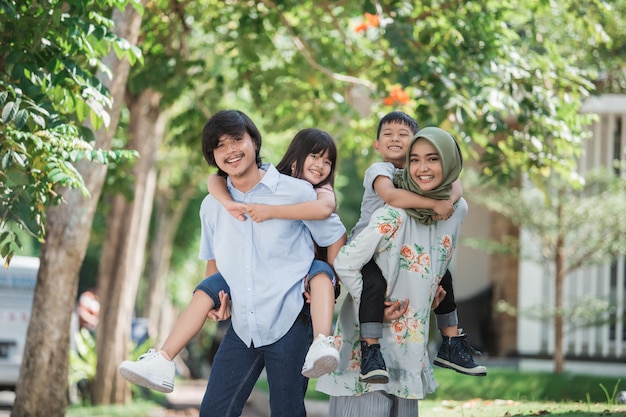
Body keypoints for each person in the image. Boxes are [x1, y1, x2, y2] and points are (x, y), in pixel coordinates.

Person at [131, 110, 345, 417]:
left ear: (254, 142)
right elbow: (214, 261)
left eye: (237, 140)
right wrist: (218, 303)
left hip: (290, 319)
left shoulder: (296, 191)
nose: (230, 150)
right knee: (215, 411)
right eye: (220, 145)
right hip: (243, 324)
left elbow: (335, 233)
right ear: (213, 156)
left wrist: (328, 280)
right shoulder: (212, 205)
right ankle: (161, 359)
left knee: (287, 412)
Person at [316, 126, 467, 416]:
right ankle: (370, 348)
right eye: (416, 160)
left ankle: (452, 340)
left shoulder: (454, 210)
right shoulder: (393, 208)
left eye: (433, 159)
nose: (423, 167)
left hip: (409, 351)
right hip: (370, 345)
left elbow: (455, 193)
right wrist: (369, 302)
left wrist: (428, 291)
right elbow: (346, 262)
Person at [348, 111, 485, 383]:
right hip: (371, 252)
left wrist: (449, 201)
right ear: (377, 145)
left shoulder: (417, 174)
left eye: (403, 134)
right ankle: (370, 350)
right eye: (388, 134)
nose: (395, 139)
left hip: (402, 250)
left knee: (443, 274)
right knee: (374, 287)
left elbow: (455, 182)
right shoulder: (381, 171)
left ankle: (451, 342)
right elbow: (390, 196)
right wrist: (435, 204)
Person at [206, 127, 343, 379]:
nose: (321, 166)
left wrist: (333, 280)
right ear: (295, 158)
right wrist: (227, 203)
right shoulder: (272, 184)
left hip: (310, 272)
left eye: (327, 161)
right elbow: (215, 179)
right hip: (261, 295)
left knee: (322, 274)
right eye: (314, 157)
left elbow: (330, 220)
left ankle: (322, 342)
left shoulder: (319, 192)